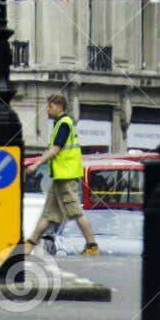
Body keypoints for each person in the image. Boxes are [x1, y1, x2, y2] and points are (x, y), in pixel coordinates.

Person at [27, 94, 100, 256]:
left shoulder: (64, 124)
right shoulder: (60, 123)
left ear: (59, 107)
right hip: (60, 177)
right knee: (48, 215)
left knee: (76, 212)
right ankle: (29, 245)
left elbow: (55, 150)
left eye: (50, 106)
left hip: (66, 177)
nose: (47, 109)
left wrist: (36, 164)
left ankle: (92, 246)